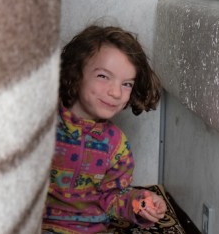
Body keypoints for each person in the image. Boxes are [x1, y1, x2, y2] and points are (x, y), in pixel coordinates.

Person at [42, 24, 167, 234]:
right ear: (75, 72)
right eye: (103, 76)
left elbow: (113, 197)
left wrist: (139, 203)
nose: (116, 92)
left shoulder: (116, 145)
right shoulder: (41, 126)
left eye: (127, 84)